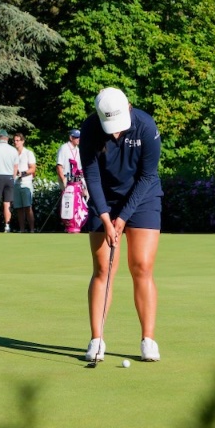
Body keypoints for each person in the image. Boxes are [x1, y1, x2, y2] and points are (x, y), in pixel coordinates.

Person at [80, 87, 163, 363]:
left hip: (143, 196)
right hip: (104, 198)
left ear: (129, 107)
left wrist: (122, 217)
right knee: (103, 267)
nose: (115, 133)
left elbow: (147, 176)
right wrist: (105, 216)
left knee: (141, 265)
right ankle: (97, 339)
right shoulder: (91, 129)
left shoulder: (145, 126)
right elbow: (91, 176)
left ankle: (148, 340)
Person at [11, 132, 37, 233]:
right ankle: (22, 230)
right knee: (19, 208)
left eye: (18, 140)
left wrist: (23, 173)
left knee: (27, 207)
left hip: (26, 183)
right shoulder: (13, 153)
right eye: (14, 140)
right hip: (15, 184)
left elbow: (33, 168)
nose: (15, 142)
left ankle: (31, 229)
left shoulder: (28, 153)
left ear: (22, 141)